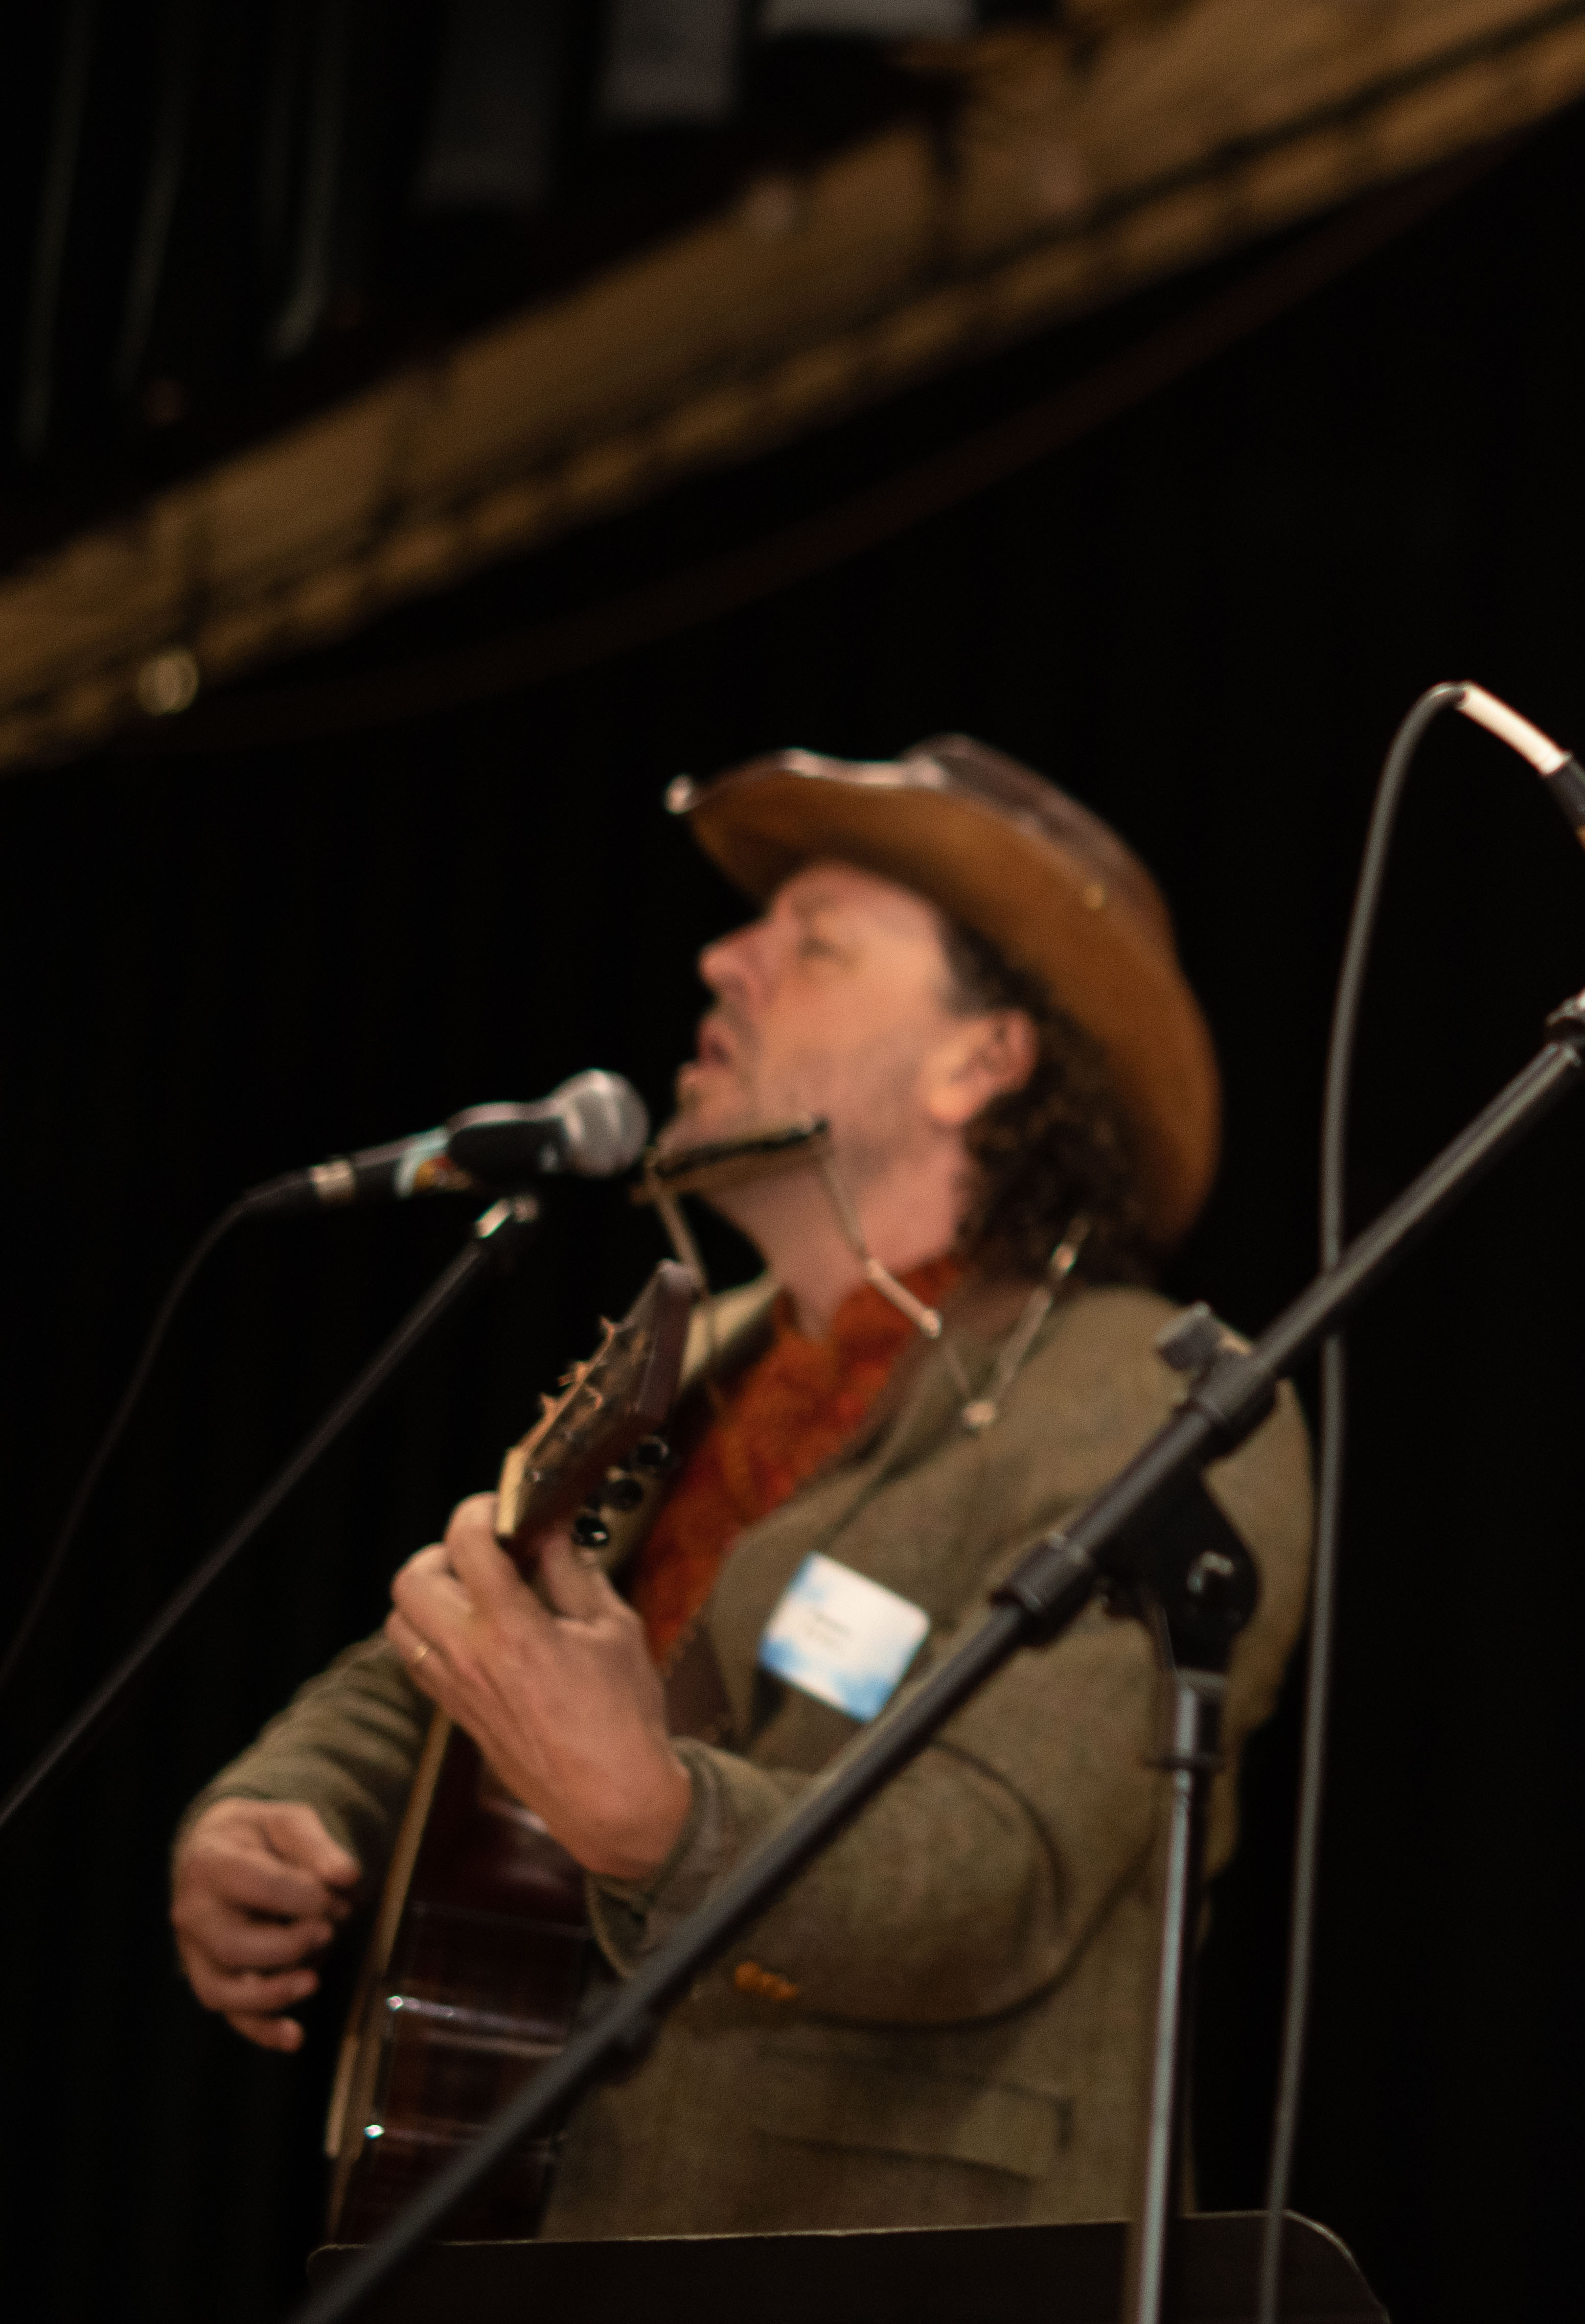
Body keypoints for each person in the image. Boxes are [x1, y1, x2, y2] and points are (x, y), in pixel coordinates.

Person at [166, 736, 1310, 2236]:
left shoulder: (1154, 1398)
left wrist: (658, 1823)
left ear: (984, 1059)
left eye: (813, 944)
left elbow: (998, 1868)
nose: (722, 961)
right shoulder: (698, 1354)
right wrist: (283, 1800)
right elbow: (439, 1664)